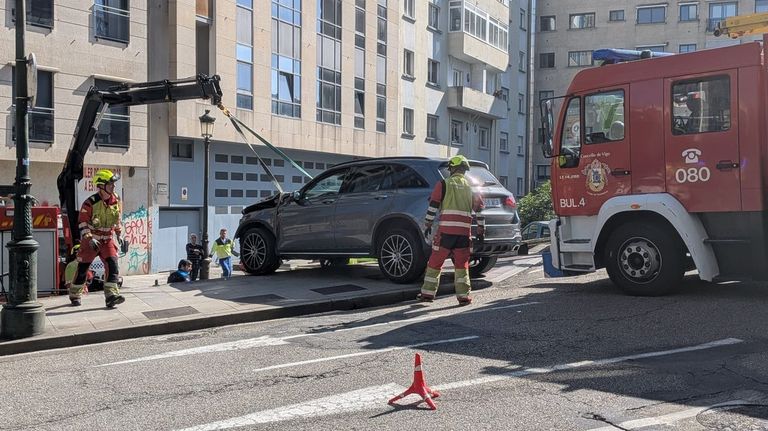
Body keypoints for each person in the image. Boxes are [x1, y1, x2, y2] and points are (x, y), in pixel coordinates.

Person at [419, 155, 485, 306]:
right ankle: (464, 297)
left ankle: (427, 294)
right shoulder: (472, 188)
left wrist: (428, 224)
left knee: (435, 263)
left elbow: (433, 206)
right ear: (464, 170)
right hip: (463, 235)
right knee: (462, 266)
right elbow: (479, 212)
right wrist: (481, 231)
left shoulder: (443, 184)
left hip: (445, 234)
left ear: (452, 169)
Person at [69, 169, 126, 308]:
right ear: (101, 186)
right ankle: (75, 294)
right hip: (91, 241)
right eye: (110, 183)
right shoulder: (90, 203)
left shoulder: (116, 200)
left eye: (114, 183)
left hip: (107, 240)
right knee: (83, 269)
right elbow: (82, 223)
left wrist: (119, 234)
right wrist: (89, 238)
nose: (113, 186)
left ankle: (111, 296)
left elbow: (117, 220)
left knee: (113, 265)